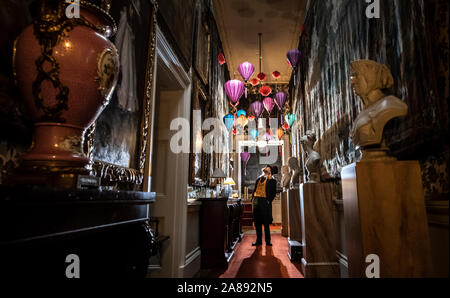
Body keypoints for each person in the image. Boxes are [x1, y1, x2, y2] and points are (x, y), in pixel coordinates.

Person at [251, 165, 278, 247]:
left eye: (268, 168)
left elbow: (273, 193)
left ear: (270, 171)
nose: (266, 168)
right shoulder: (258, 179)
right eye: (266, 167)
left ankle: (268, 241)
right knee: (257, 222)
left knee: (266, 223)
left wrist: (268, 200)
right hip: (257, 201)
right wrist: (253, 198)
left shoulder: (272, 181)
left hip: (265, 202)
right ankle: (258, 241)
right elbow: (255, 189)